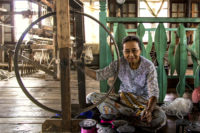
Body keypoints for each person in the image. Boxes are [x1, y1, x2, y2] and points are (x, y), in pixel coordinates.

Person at [85, 35, 166, 130]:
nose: (131, 55)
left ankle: (121, 119)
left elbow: (154, 92)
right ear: (123, 52)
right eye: (127, 51)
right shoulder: (118, 63)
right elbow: (99, 75)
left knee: (160, 117)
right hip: (122, 100)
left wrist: (148, 111)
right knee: (91, 96)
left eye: (134, 50)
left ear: (140, 50)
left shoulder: (148, 66)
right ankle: (130, 119)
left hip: (142, 103)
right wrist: (82, 68)